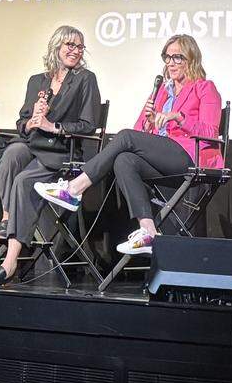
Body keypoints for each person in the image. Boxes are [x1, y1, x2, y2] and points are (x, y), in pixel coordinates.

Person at [34, 34, 221, 256]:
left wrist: (179, 117)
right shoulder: (162, 91)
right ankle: (148, 231)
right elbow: (139, 130)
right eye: (167, 57)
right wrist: (149, 123)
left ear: (191, 58)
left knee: (124, 137)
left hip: (190, 156)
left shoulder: (204, 88)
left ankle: (75, 188)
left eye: (177, 57)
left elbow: (211, 132)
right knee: (124, 160)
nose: (170, 63)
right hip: (163, 157)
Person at [0, 25, 101, 286]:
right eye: (70, 45)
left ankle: (9, 263)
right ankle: (7, 216)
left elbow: (89, 124)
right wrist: (33, 119)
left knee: (24, 181)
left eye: (79, 47)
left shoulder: (84, 79)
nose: (75, 51)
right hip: (33, 144)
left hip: (60, 151)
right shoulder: (38, 80)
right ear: (56, 46)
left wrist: (52, 126)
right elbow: (21, 122)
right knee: (11, 154)